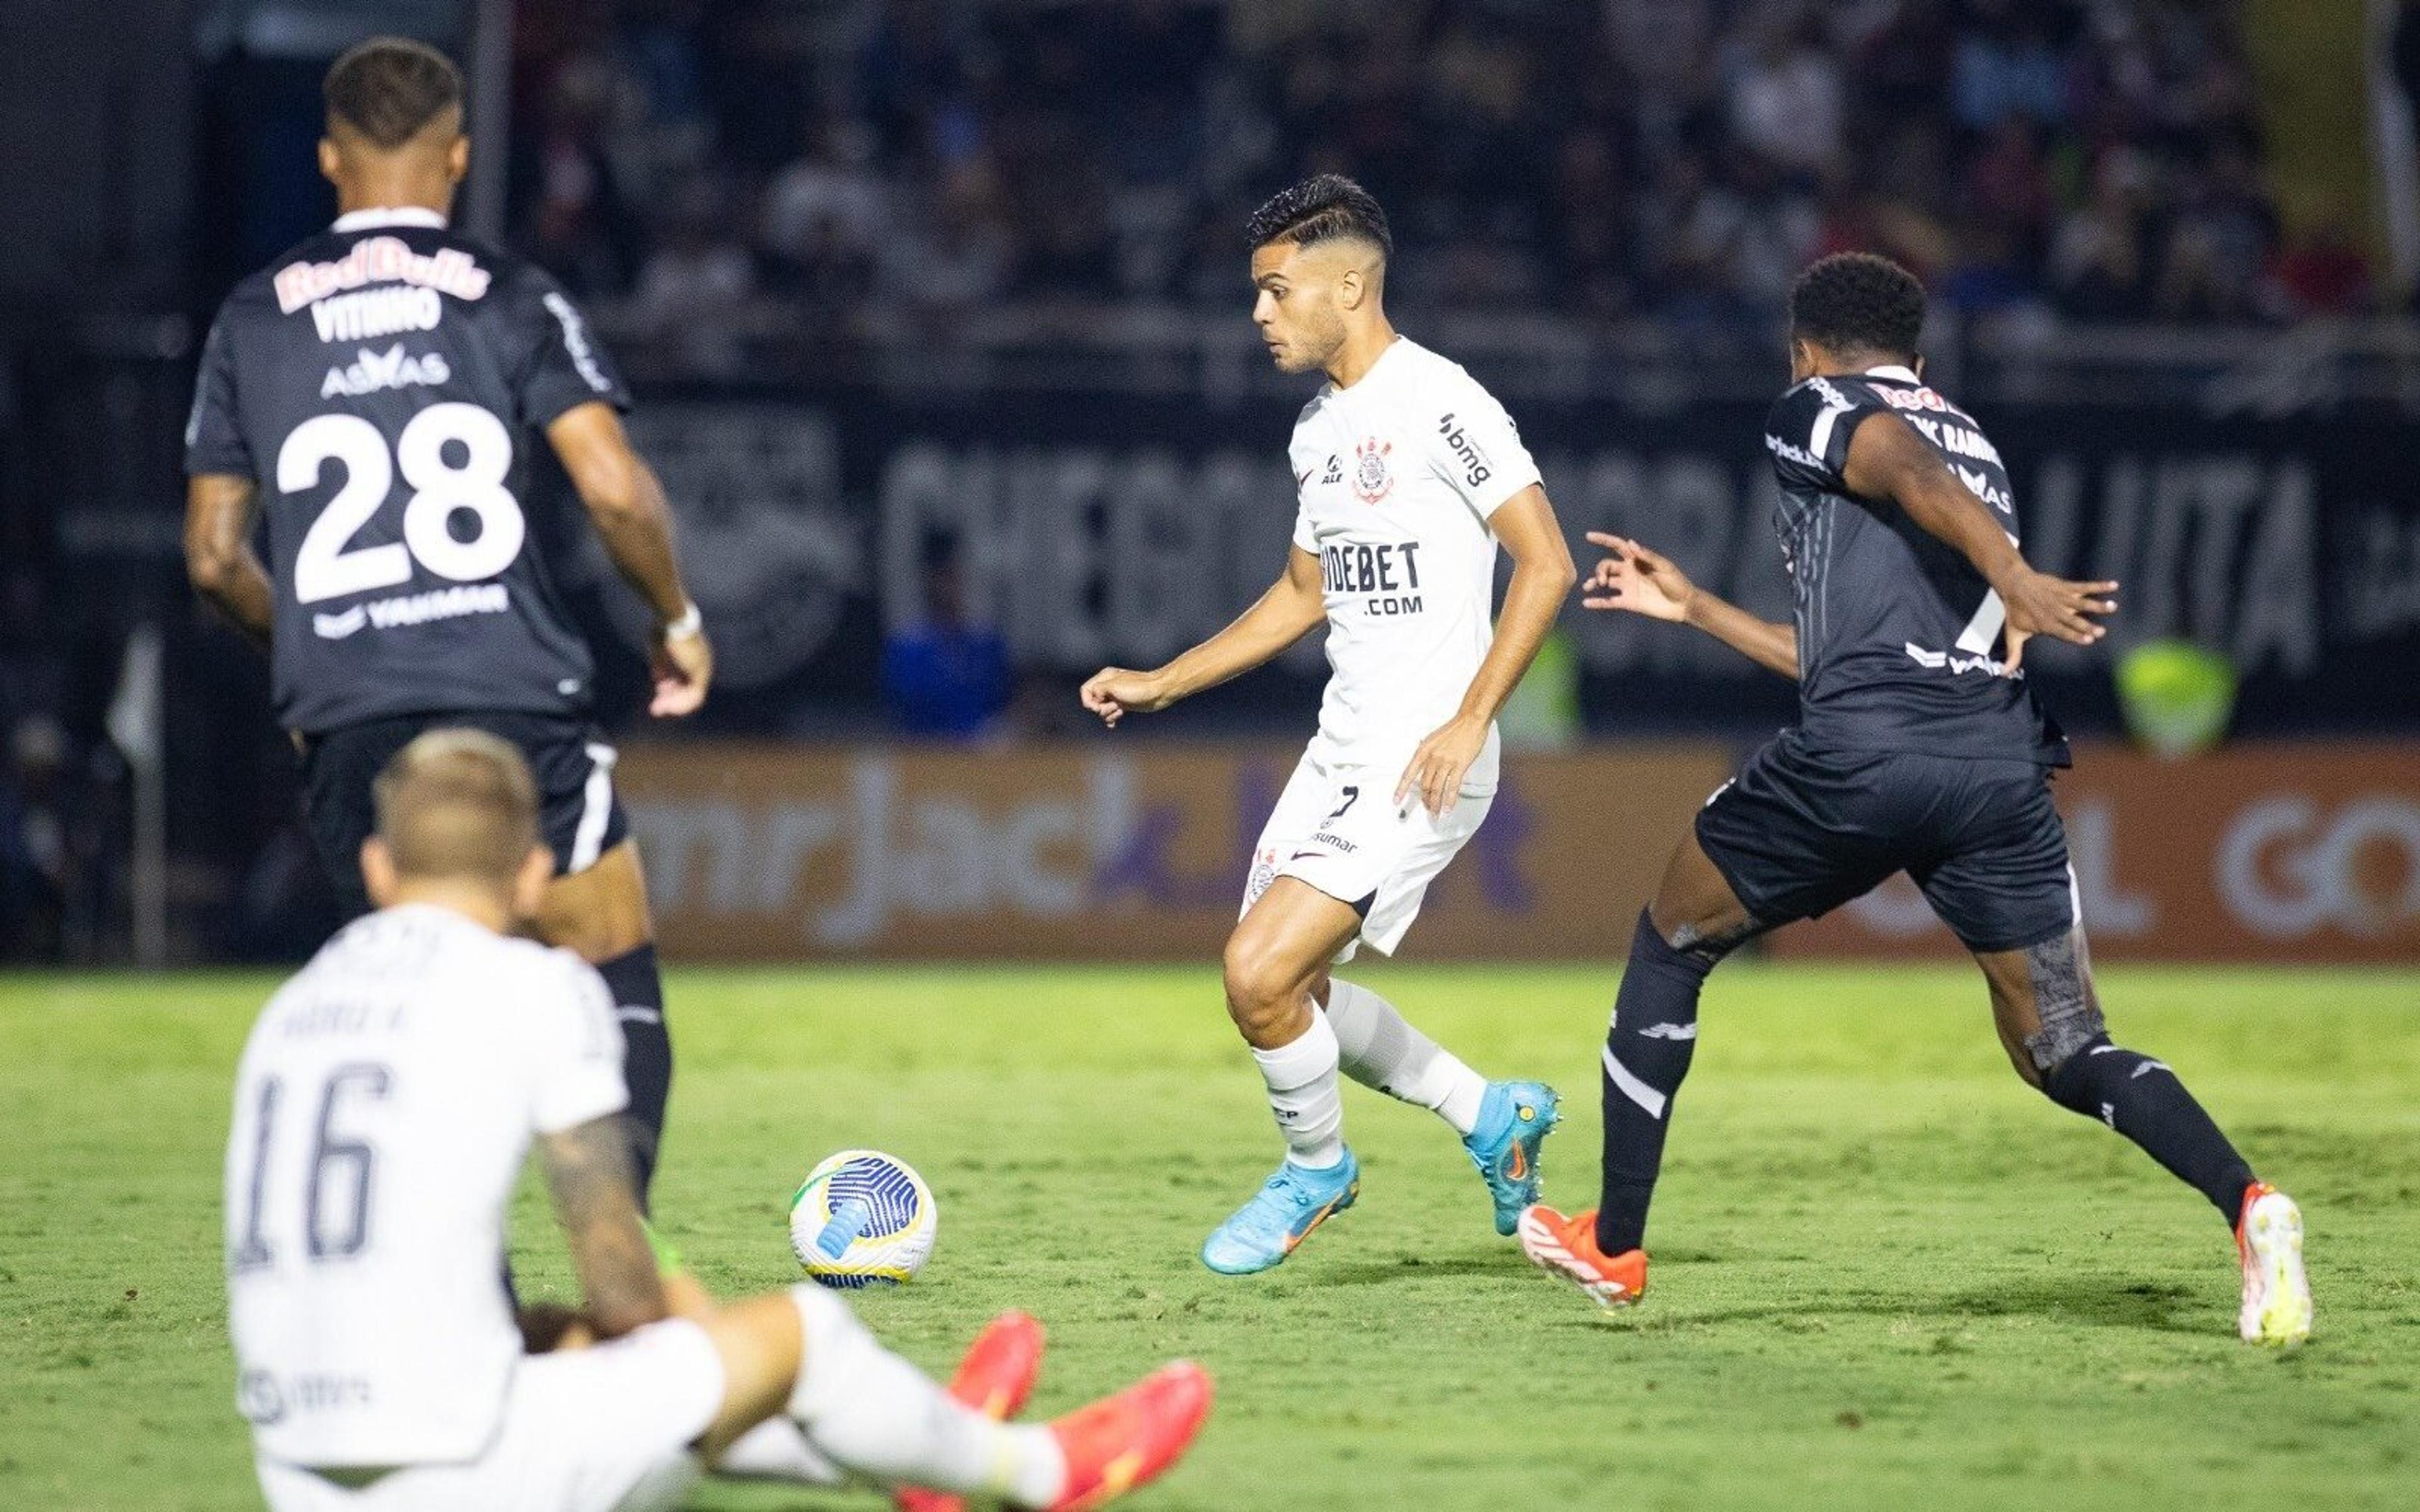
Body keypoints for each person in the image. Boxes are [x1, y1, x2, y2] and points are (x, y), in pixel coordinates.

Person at [1516, 253, 2312, 1347]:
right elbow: (1856, 649)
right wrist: (1698, 608)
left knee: (1672, 937)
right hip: (1994, 769)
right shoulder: (1977, 446)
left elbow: (1890, 460)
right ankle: (2251, 1206)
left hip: (1862, 759)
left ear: (1803, 350)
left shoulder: (1825, 407)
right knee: (2066, 1046)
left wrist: (2018, 579)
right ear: (1923, 360)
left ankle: (1614, 1242)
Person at [224, 729, 1213, 1512]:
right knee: (805, 1334)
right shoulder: (533, 986)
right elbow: (617, 1270)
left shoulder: (289, 1008)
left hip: (299, 1472)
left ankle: (901, 1456)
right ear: (532, 876)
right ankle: (1034, 1470)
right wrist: (716, 1341)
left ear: (379, 868)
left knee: (558, 1338)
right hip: (462, 1469)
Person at [185, 38, 700, 1199]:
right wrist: (677, 614)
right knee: (608, 970)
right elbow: (613, 489)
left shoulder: (254, 317)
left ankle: (448, 1285)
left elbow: (214, 559)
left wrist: (319, 640)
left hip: (348, 718)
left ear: (329, 159)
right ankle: (616, 1272)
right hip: (505, 690)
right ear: (459, 157)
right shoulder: (506, 294)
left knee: (419, 1005)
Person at [1080, 175, 1579, 1274]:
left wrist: (1468, 721)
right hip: (1339, 753)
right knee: (1288, 990)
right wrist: (1166, 681)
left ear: (1349, 284)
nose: (1260, 314)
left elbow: (1547, 564)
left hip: (1423, 757)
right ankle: (1489, 1113)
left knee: (1256, 975)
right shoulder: (1319, 431)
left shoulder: (1446, 403)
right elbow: (1302, 597)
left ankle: (1318, 1172)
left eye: (1276, 290)